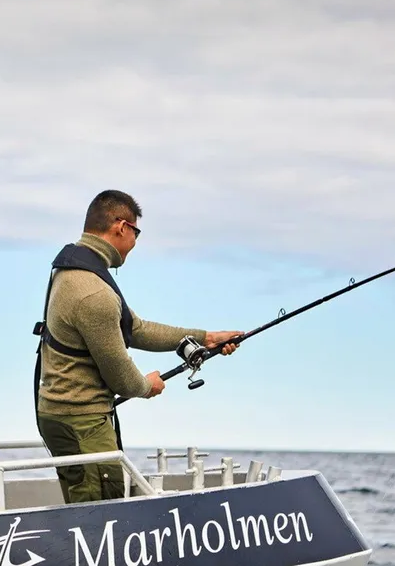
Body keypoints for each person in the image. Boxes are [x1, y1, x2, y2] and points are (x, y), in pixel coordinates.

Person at [32, 189, 243, 504]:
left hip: (60, 416)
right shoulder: (95, 294)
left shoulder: (71, 270)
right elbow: (121, 379)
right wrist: (147, 386)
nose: (134, 244)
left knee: (86, 504)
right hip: (82, 423)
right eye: (136, 233)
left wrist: (207, 338)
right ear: (121, 227)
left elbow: (137, 329)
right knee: (100, 514)